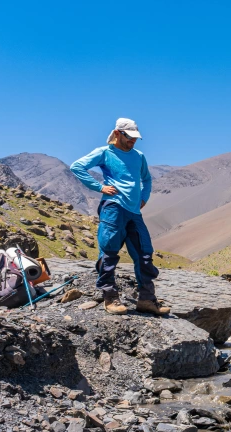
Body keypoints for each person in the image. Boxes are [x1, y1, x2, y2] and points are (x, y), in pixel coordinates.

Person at [70, 118, 170, 316]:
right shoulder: (105, 153)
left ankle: (147, 300)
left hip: (134, 211)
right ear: (118, 133)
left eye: (135, 138)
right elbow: (77, 166)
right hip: (113, 207)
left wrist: (144, 197)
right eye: (129, 137)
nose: (133, 141)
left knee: (144, 254)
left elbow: (147, 179)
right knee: (109, 251)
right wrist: (99, 187)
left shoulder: (139, 156)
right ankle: (110, 298)